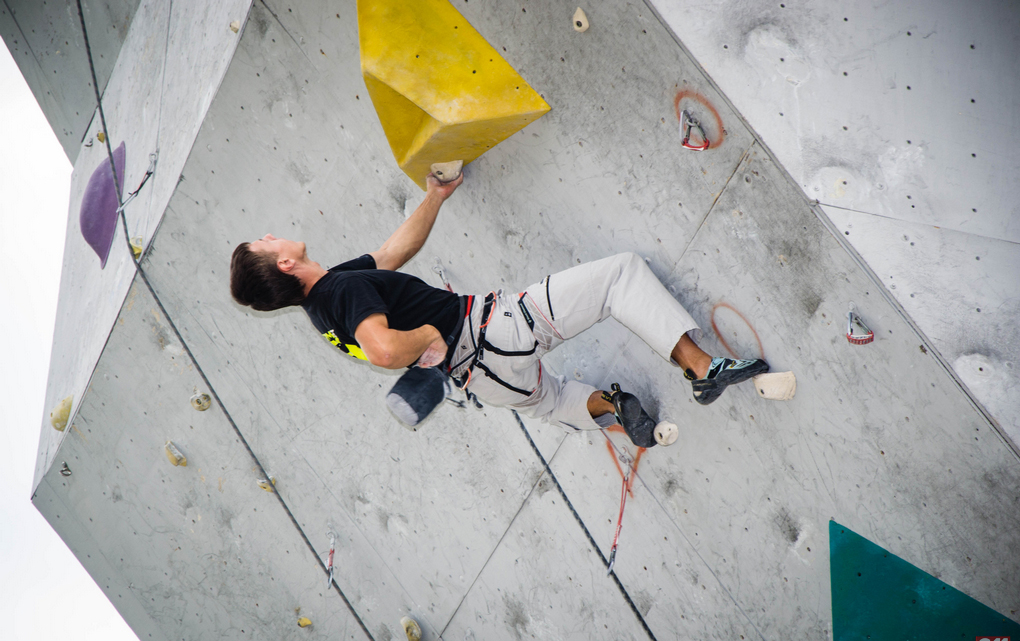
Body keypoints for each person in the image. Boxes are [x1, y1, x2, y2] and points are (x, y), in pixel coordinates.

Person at [229, 173, 768, 446]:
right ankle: (702, 370)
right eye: (264, 240)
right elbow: (384, 349)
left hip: (479, 379)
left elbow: (393, 254)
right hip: (496, 329)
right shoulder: (342, 294)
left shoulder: (325, 299)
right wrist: (424, 339)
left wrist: (435, 198)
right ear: (281, 264)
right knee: (620, 275)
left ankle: (613, 405)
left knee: (550, 401)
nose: (272, 234)